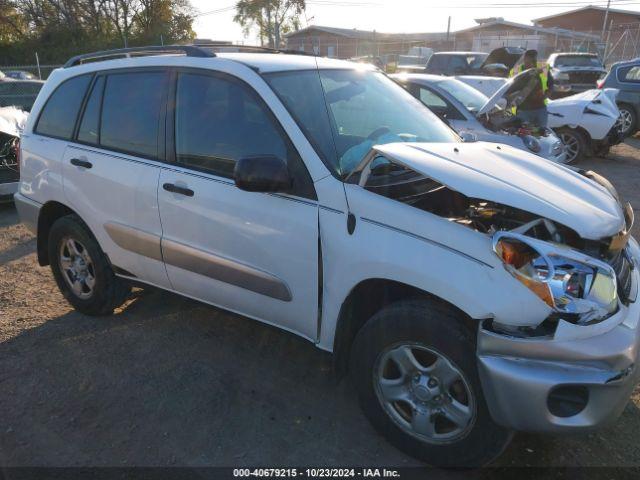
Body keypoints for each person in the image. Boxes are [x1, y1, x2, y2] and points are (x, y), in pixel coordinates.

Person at [512, 49, 553, 128]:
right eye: (528, 60)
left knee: (541, 133)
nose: (531, 63)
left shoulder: (543, 68)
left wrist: (545, 95)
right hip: (524, 109)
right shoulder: (517, 70)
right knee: (524, 133)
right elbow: (512, 88)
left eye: (534, 60)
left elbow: (551, 85)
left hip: (540, 108)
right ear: (524, 59)